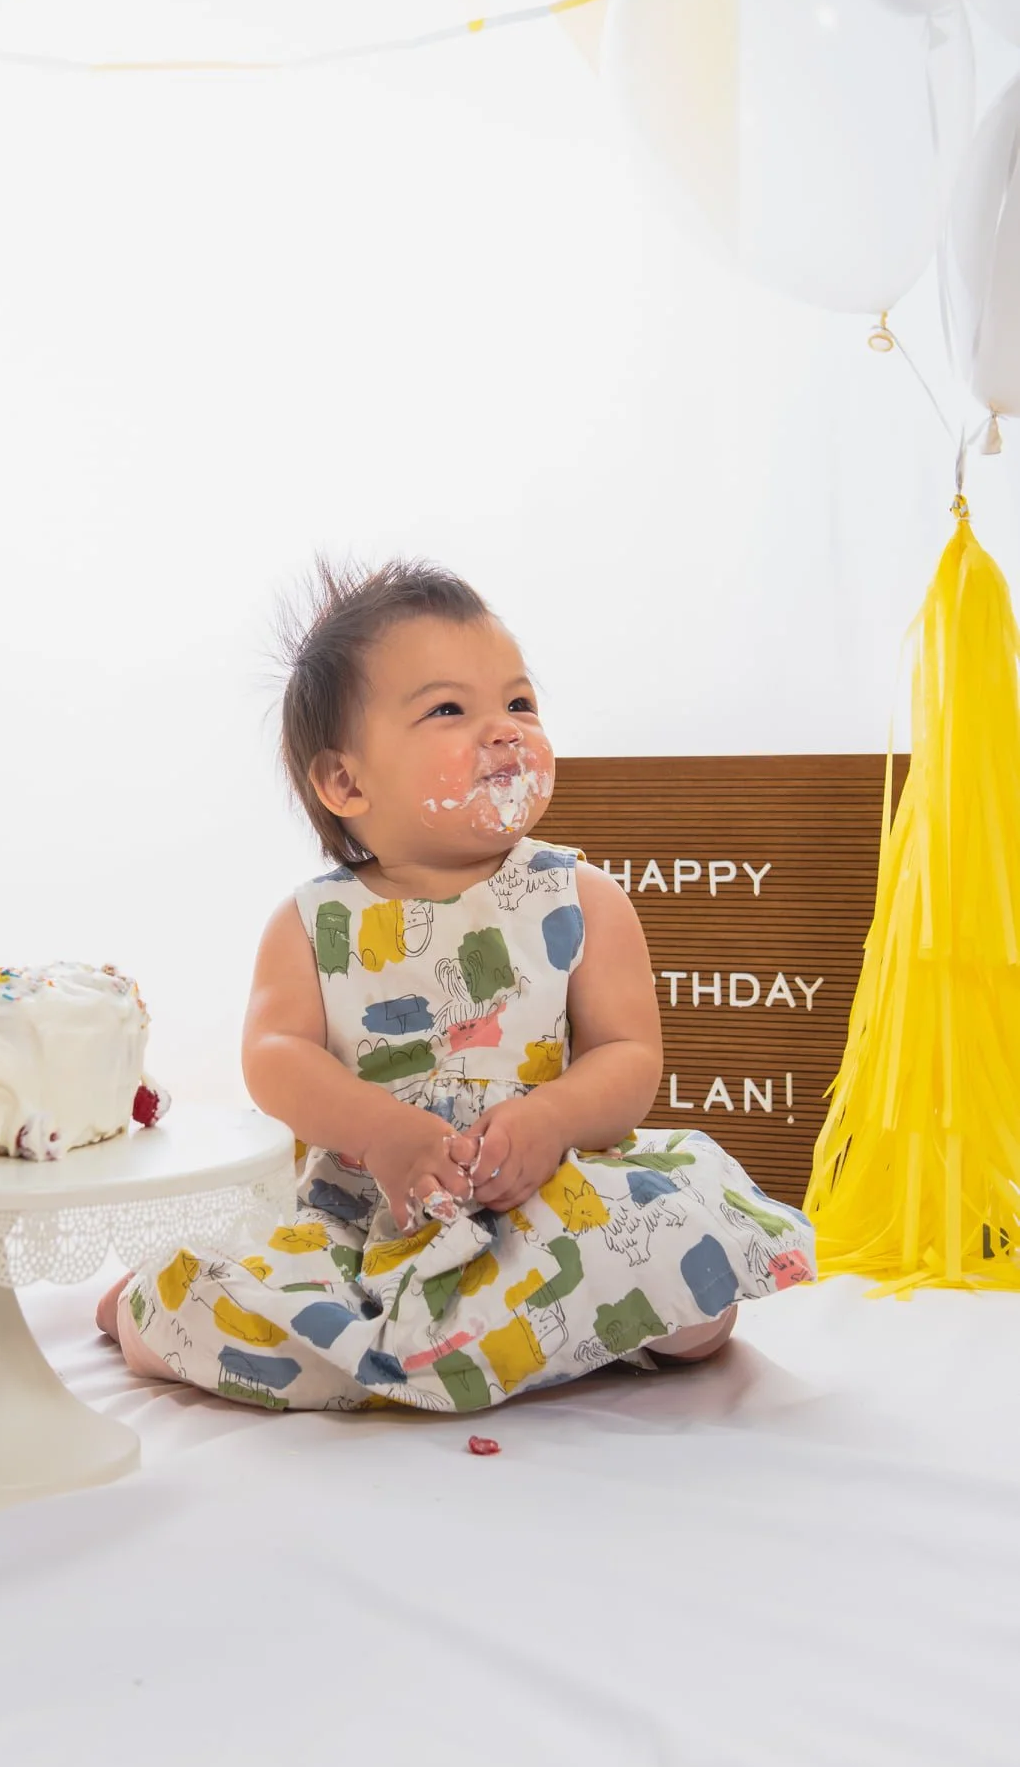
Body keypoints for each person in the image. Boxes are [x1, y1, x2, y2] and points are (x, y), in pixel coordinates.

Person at [97, 559, 816, 1412]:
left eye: (520, 704)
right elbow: (274, 1058)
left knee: (689, 1284)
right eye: (449, 710)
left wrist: (550, 1119)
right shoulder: (313, 922)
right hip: (365, 1213)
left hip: (542, 1189)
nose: (505, 731)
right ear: (346, 782)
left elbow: (628, 1059)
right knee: (204, 1302)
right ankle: (160, 1311)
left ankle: (478, 1339)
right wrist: (384, 1133)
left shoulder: (579, 897)